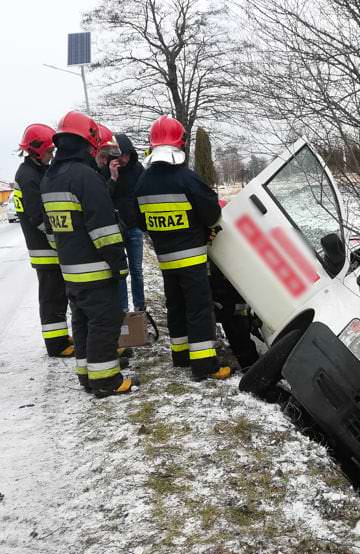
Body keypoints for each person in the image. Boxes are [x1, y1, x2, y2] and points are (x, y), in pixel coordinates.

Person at [41, 110, 136, 398]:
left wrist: (68, 255)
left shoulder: (50, 178)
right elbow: (104, 229)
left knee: (82, 322)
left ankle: (86, 374)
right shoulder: (86, 177)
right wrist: (119, 264)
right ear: (89, 142)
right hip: (96, 269)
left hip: (70, 269)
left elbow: (50, 230)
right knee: (104, 322)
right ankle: (106, 380)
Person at [133, 115, 230, 381]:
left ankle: (180, 355)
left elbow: (140, 221)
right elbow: (211, 214)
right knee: (198, 308)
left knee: (175, 305)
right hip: (191, 258)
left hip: (165, 258)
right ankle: (204, 366)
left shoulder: (142, 183)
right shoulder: (186, 179)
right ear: (180, 144)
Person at [14, 123, 74, 358]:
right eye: (49, 151)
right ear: (36, 149)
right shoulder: (28, 176)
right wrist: (56, 241)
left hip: (45, 247)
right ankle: (56, 345)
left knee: (57, 296)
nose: (52, 155)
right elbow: (38, 216)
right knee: (52, 297)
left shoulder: (34, 171)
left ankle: (59, 337)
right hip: (44, 249)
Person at [108, 133, 147, 313]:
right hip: (115, 229)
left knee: (136, 270)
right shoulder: (107, 171)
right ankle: (122, 309)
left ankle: (139, 307)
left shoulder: (138, 169)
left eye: (126, 155)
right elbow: (103, 197)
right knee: (120, 272)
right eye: (120, 155)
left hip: (134, 228)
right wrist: (113, 177)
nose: (123, 159)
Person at [210, 264, 259, 371]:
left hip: (233, 299)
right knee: (238, 331)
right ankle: (249, 366)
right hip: (225, 297)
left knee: (239, 333)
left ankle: (250, 366)